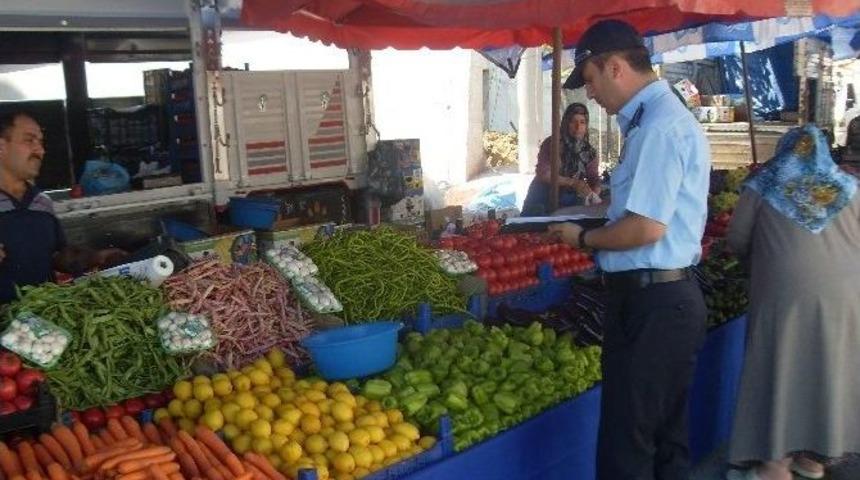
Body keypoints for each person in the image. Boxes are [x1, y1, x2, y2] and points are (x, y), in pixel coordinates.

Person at [549, 19, 711, 480]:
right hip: (663, 302)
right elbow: (640, 211)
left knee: (629, 449)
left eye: (591, 80)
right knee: (664, 443)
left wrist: (582, 238)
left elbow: (645, 227)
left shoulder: (658, 127)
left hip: (653, 305)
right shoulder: (655, 120)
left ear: (615, 67)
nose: (590, 94)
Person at [725, 125, 860, 480]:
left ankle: (774, 465)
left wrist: (757, 260)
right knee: (826, 369)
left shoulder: (766, 183)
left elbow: (737, 238)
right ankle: (815, 458)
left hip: (784, 293)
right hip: (846, 296)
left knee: (780, 367)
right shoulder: (848, 186)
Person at [0, 111, 123, 304]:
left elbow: (56, 257)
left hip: (42, 315)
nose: (40, 150)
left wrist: (95, 257)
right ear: (1, 146)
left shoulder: (41, 202)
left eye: (40, 142)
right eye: (29, 140)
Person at [521, 102, 602, 216]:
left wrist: (594, 193)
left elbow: (593, 178)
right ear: (566, 123)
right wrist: (573, 182)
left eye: (582, 122)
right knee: (534, 224)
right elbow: (543, 173)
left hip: (569, 201)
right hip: (542, 196)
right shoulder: (552, 144)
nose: (578, 127)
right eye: (573, 121)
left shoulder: (589, 153)